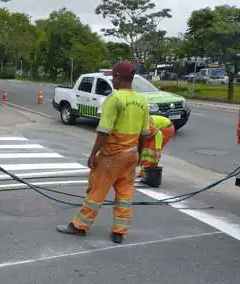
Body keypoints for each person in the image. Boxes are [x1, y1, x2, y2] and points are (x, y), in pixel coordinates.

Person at [56, 60, 151, 244]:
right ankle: (119, 231)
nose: (112, 81)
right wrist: (138, 154)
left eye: (112, 77)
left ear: (118, 77)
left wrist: (93, 155)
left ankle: (79, 226)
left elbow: (103, 131)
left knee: (97, 191)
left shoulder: (114, 99)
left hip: (113, 155)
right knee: (125, 194)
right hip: (131, 155)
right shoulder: (142, 101)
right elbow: (145, 134)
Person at [137, 115, 175, 179]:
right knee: (145, 152)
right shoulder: (135, 126)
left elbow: (158, 134)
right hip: (155, 130)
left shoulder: (144, 125)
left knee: (152, 153)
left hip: (166, 129)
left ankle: (149, 174)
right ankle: (143, 173)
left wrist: (157, 149)